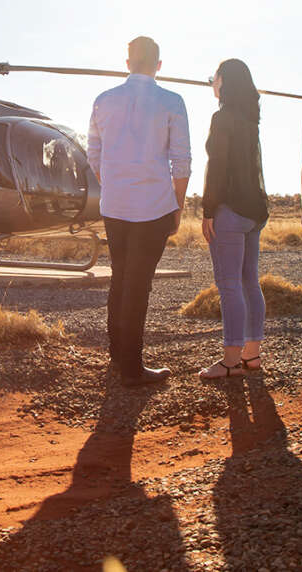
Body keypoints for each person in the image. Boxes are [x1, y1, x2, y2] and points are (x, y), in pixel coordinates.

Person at [87, 36, 191, 386]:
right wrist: (177, 205)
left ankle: (118, 355)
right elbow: (182, 161)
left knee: (121, 277)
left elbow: (93, 154)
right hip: (154, 206)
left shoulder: (103, 101)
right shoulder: (172, 102)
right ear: (158, 65)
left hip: (114, 207)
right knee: (137, 284)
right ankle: (131, 367)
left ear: (128, 62)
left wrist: (115, 183)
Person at [200, 59, 269, 381]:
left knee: (229, 285)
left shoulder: (222, 118)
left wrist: (208, 210)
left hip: (229, 210)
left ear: (224, 80)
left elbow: (217, 167)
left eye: (213, 77)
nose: (212, 83)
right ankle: (251, 355)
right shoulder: (249, 119)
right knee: (248, 282)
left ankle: (229, 360)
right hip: (254, 211)